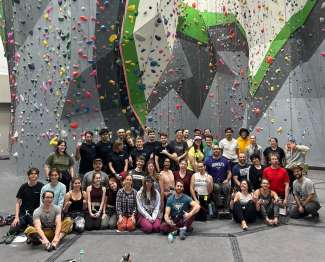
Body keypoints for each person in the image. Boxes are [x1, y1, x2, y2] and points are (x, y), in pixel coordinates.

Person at [1, 168, 44, 245]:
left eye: (36, 174)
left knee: (35, 228)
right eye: (32, 174)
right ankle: (10, 234)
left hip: (34, 214)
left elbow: (44, 202)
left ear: (38, 175)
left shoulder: (41, 187)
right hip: (23, 213)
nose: (34, 175)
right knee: (15, 225)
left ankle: (31, 237)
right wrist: (17, 217)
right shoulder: (23, 187)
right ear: (28, 176)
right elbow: (18, 202)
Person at [205, 145, 232, 213]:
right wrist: (209, 181)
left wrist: (227, 179)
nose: (216, 150)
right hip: (213, 182)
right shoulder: (208, 160)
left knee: (228, 187)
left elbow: (229, 172)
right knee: (217, 187)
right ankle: (219, 208)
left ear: (220, 150)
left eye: (217, 149)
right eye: (214, 149)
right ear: (212, 150)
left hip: (223, 182)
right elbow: (205, 173)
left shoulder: (224, 160)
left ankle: (226, 208)